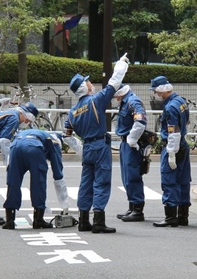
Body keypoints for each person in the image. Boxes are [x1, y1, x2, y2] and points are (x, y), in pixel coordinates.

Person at [63, 53, 129, 234]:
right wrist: (122, 64)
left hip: (87, 148)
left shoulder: (72, 112)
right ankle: (99, 221)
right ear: (85, 87)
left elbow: (66, 135)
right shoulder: (95, 101)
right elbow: (114, 84)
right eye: (88, 81)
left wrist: (81, 149)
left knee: (86, 183)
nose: (91, 83)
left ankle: (84, 219)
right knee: (102, 181)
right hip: (100, 146)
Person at [2, 130, 70, 230]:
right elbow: (57, 172)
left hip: (15, 146)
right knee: (38, 183)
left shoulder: (34, 133)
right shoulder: (55, 142)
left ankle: (10, 220)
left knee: (13, 182)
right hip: (34, 149)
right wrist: (64, 203)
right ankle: (38, 220)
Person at [150, 76, 191, 227]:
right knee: (183, 180)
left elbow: (173, 132)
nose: (155, 94)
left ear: (161, 90)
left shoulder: (170, 107)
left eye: (155, 90)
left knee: (169, 180)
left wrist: (171, 152)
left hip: (173, 145)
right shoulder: (180, 101)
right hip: (183, 145)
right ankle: (183, 216)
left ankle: (170, 217)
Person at [114, 84, 147, 222]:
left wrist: (132, 139)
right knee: (126, 176)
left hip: (131, 144)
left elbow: (140, 121)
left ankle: (138, 210)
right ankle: (132, 206)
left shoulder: (133, 101)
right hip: (125, 142)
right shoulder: (125, 101)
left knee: (133, 175)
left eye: (115, 95)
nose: (115, 98)